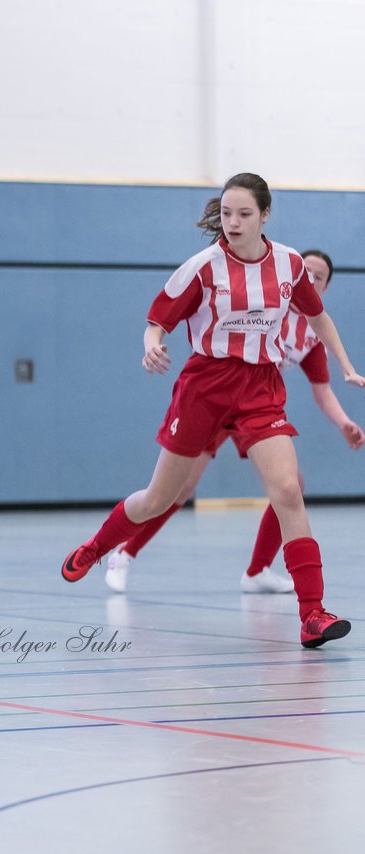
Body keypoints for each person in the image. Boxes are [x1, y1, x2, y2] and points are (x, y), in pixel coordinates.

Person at [61, 173, 365, 649]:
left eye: (244, 214)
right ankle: (99, 547)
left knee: (288, 490)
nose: (233, 222)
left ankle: (312, 615)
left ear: (265, 215)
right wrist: (151, 346)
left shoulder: (287, 264)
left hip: (261, 386)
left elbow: (317, 315)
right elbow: (156, 320)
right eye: (226, 213)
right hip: (205, 386)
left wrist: (347, 365)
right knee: (160, 498)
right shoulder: (203, 267)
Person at [104, 249, 364, 593]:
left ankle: (256, 572)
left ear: (324, 289)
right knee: (179, 489)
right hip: (215, 398)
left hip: (254, 406)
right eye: (308, 273)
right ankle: (125, 554)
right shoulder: (268, 304)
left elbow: (322, 389)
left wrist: (344, 422)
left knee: (290, 487)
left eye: (319, 278)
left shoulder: (312, 336)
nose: (311, 280)